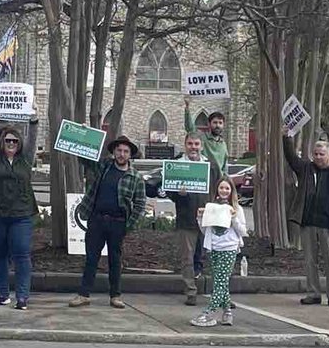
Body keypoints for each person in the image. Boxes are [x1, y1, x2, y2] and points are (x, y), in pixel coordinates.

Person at [69, 135, 146, 309]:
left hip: (118, 223)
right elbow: (85, 159)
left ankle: (115, 296)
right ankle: (83, 294)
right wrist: (82, 135)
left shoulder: (135, 177)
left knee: (115, 260)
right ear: (113, 152)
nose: (121, 154)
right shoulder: (103, 167)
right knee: (91, 258)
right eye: (119, 150)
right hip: (96, 220)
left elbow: (140, 203)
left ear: (130, 155)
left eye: (125, 151)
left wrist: (129, 224)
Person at [150, 131, 217, 306]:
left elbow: (219, 188)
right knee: (186, 258)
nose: (193, 147)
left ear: (201, 146)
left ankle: (216, 291)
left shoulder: (210, 166)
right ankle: (191, 291)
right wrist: (179, 195)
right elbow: (170, 193)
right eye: (190, 144)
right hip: (186, 220)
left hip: (207, 219)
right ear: (185, 145)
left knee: (203, 256)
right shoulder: (178, 166)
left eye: (196, 144)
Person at [0, 112, 39, 308]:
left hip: (21, 215)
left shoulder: (26, 160)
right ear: (2, 142)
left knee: (21, 254)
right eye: (7, 140)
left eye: (15, 140)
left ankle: (22, 296)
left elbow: (32, 138)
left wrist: (34, 120)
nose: (11, 143)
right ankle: (3, 294)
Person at [282, 127, 329, 306]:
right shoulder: (306, 168)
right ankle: (313, 292)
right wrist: (286, 138)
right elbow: (291, 158)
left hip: (328, 224)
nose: (318, 157)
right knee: (309, 260)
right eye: (315, 154)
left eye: (322, 154)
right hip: (307, 222)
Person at [190, 178, 247, 327]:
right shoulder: (212, 208)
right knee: (220, 282)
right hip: (214, 247)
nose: (224, 191)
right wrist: (200, 217)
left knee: (220, 282)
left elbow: (242, 231)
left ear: (231, 191)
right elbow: (205, 230)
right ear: (217, 190)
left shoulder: (237, 208)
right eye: (221, 188)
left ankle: (209, 312)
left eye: (227, 188)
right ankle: (227, 313)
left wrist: (234, 218)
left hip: (229, 247)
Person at [184, 99, 228, 181]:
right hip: (203, 179)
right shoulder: (202, 137)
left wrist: (226, 181)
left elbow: (225, 167)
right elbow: (190, 128)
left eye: (220, 123)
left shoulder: (223, 144)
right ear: (209, 124)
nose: (217, 125)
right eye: (215, 122)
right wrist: (187, 108)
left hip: (218, 182)